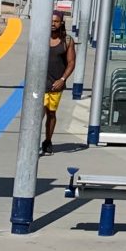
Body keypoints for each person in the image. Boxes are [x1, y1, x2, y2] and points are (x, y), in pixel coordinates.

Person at [41, 11, 76, 155]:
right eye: (50, 21)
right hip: (39, 84)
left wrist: (62, 80)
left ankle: (48, 140)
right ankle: (32, 140)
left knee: (51, 113)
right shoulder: (41, 37)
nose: (52, 24)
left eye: (56, 21)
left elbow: (71, 62)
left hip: (56, 85)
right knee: (38, 113)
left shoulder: (67, 41)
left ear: (61, 23)